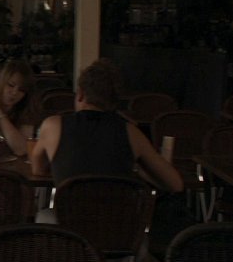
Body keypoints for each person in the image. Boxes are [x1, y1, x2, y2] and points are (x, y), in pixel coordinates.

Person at [30, 58, 183, 192]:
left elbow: (38, 169)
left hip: (68, 215)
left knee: (43, 213)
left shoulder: (53, 126)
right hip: (118, 216)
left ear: (81, 94)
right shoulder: (131, 132)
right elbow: (175, 184)